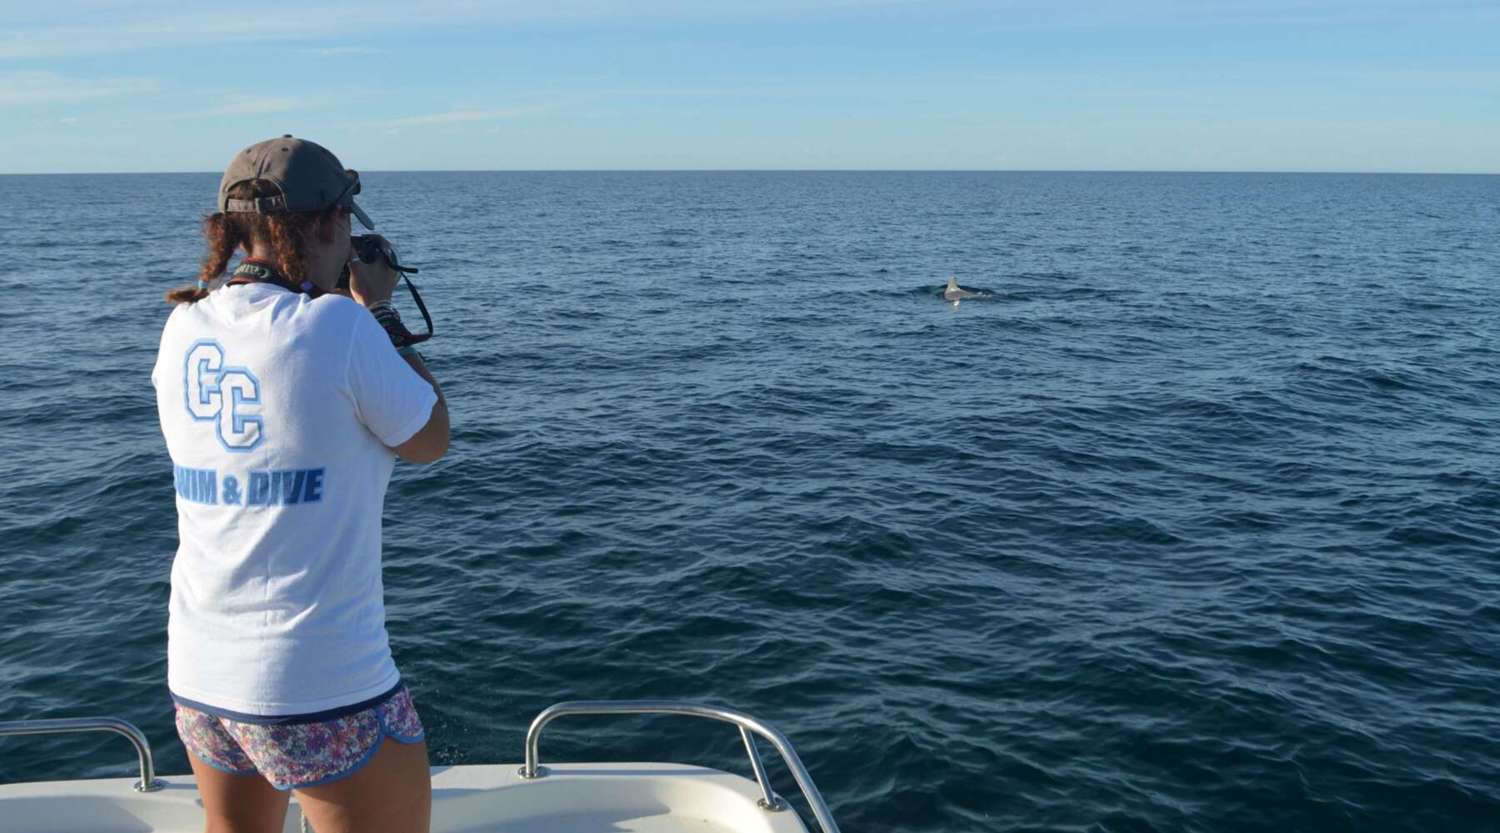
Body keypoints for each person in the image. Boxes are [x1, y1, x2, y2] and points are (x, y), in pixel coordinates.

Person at [152, 135, 449, 833]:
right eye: (346, 219)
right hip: (320, 682)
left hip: (201, 676)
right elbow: (430, 437)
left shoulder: (181, 325)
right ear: (328, 224)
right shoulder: (342, 327)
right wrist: (379, 310)